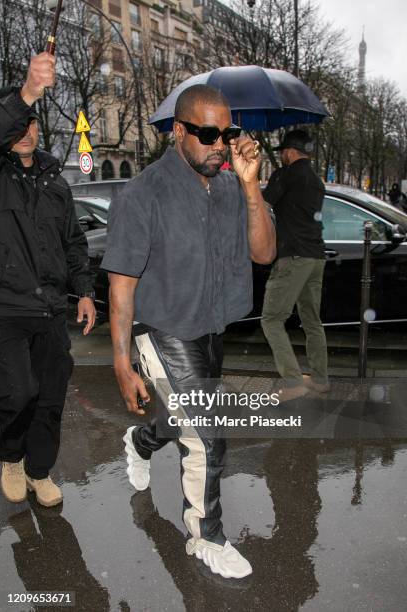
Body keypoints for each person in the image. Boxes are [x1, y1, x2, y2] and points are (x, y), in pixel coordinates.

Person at [101, 84, 276, 579]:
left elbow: (264, 253)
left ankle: (140, 441)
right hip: (162, 329)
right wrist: (120, 361)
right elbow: (121, 285)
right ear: (179, 131)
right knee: (208, 437)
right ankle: (206, 536)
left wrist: (250, 185)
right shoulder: (143, 193)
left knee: (184, 419)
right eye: (207, 133)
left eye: (228, 133)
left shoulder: (229, 185)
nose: (220, 144)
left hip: (210, 326)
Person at [0, 53, 96, 507]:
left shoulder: (57, 182)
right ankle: (11, 456)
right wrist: (27, 94)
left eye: (33, 123)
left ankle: (40, 471)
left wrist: (86, 293)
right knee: (19, 392)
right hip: (8, 310)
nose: (27, 131)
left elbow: (75, 242)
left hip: (53, 309)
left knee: (51, 397)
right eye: (19, 123)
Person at [261, 129, 328, 402]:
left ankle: (292, 381)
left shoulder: (285, 175)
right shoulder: (316, 181)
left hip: (294, 257)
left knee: (271, 319)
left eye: (283, 153)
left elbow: (262, 205)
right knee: (312, 321)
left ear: (289, 151)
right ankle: (320, 379)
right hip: (316, 257)